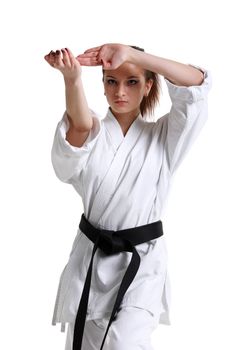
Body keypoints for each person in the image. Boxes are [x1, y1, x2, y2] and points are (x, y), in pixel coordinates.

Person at [44, 44, 211, 350]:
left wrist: (134, 56)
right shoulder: (93, 128)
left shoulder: (165, 137)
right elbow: (79, 126)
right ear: (103, 84)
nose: (120, 90)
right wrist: (72, 79)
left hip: (142, 264)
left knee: (123, 345)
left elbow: (196, 84)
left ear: (148, 86)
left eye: (132, 81)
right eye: (111, 81)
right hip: (91, 262)